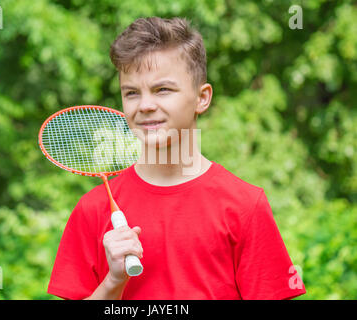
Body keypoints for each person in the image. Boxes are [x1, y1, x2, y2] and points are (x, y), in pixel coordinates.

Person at [47, 17, 306, 300]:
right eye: (132, 93)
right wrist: (113, 281)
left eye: (163, 90)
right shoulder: (92, 210)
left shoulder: (245, 206)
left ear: (202, 98)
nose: (145, 105)